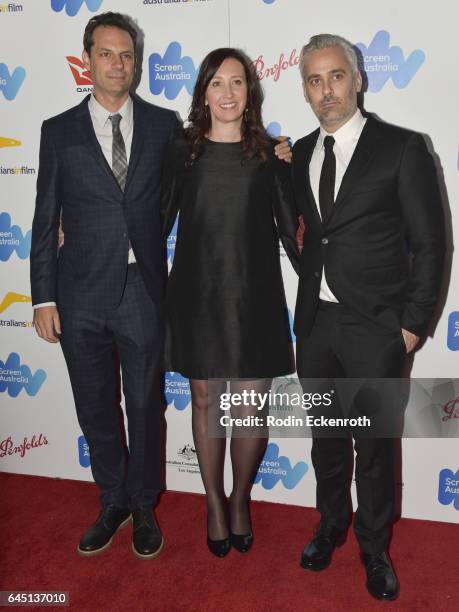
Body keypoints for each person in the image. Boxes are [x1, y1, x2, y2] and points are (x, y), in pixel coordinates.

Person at [292, 34, 445, 600]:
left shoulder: (403, 147)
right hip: (317, 325)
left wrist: (412, 324)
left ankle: (374, 547)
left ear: (358, 80)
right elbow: (306, 234)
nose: (326, 89)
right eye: (314, 80)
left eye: (336, 76)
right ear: (304, 89)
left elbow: (432, 245)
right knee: (326, 439)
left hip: (378, 327)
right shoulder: (301, 152)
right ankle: (331, 523)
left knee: (375, 447)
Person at [30, 12, 181, 560]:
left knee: (144, 405)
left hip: (143, 287)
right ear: (88, 59)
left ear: (135, 62)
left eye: (127, 55)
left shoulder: (166, 125)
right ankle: (112, 500)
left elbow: (185, 188)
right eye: (107, 54)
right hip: (79, 295)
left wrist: (274, 151)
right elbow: (45, 217)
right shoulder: (57, 130)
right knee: (95, 406)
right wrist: (42, 296)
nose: (118, 64)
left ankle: (144, 505)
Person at [162, 47, 300, 557]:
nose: (227, 93)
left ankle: (240, 497)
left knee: (247, 408)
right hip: (196, 294)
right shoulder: (181, 151)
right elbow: (152, 220)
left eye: (237, 83)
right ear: (202, 91)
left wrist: (332, 287)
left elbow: (293, 232)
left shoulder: (271, 153)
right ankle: (213, 502)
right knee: (205, 400)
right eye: (216, 83)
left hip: (255, 296)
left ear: (250, 93)